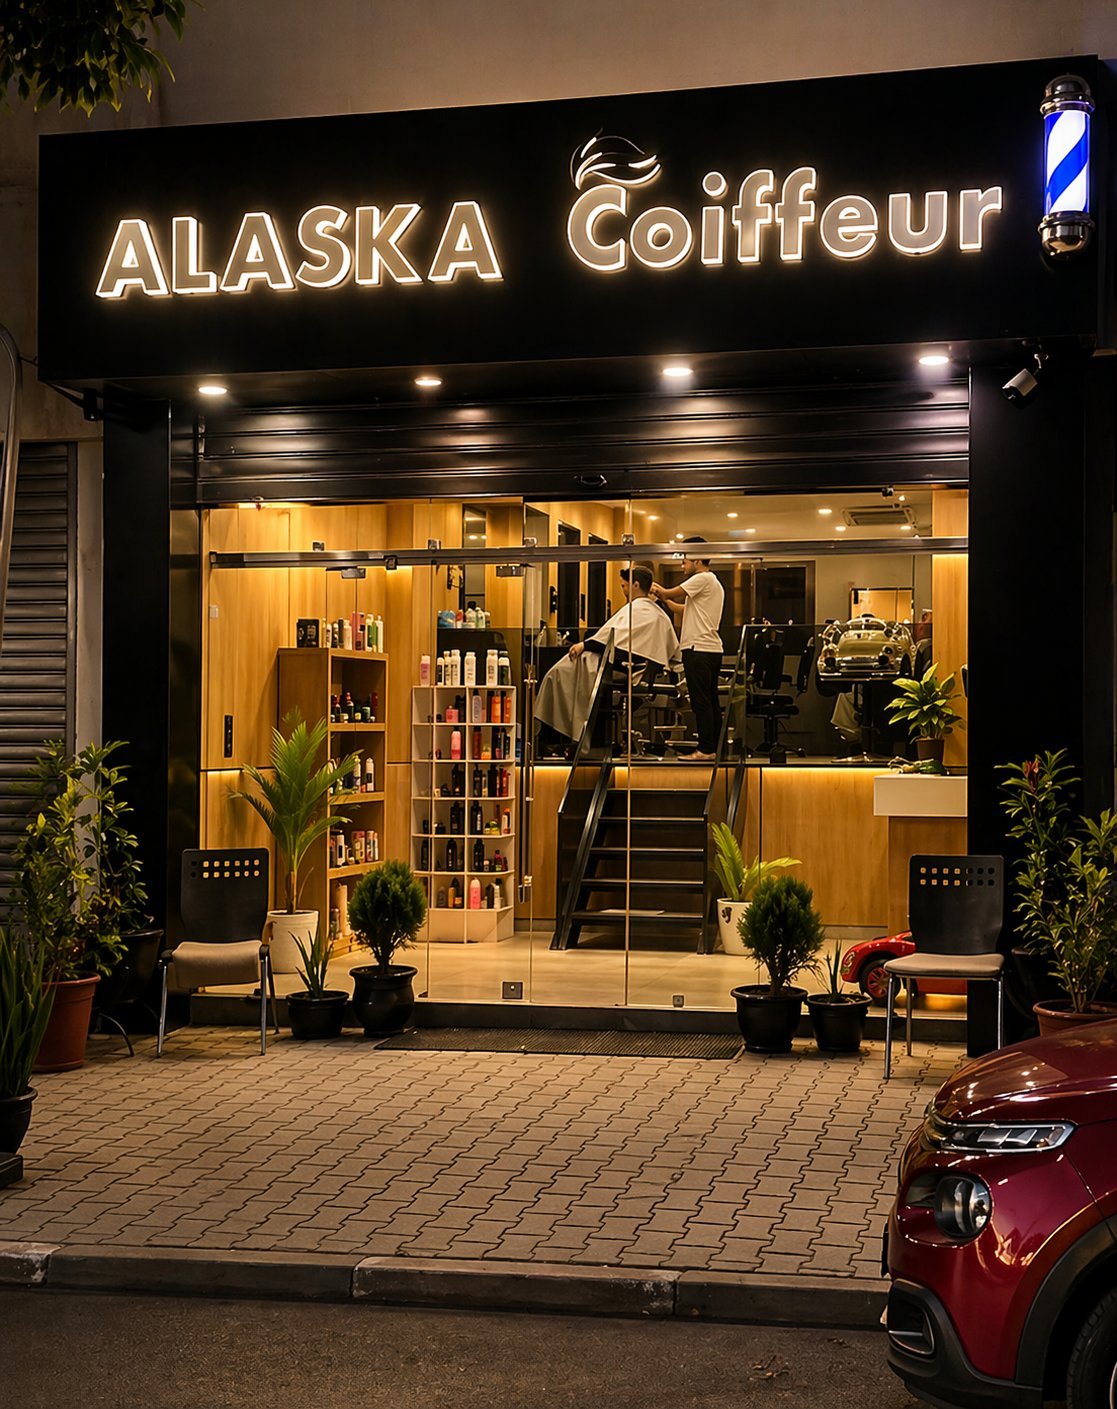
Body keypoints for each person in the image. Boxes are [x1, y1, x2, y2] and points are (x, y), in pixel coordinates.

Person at [534, 563, 680, 745]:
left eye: (624, 585)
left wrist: (584, 645)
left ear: (635, 585)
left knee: (557, 675)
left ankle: (555, 736)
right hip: (621, 663)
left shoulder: (638, 610)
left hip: (619, 666)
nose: (623, 589)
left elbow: (612, 641)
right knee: (561, 676)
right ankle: (560, 734)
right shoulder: (653, 613)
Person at [650, 538, 725, 760]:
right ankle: (715, 747)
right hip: (711, 649)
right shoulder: (713, 583)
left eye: (684, 560)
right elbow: (681, 608)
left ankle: (705, 749)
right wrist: (662, 599)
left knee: (701, 701)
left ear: (698, 558)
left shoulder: (702, 578)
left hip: (698, 649)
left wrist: (655, 588)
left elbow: (672, 593)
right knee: (710, 700)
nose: (682, 565)